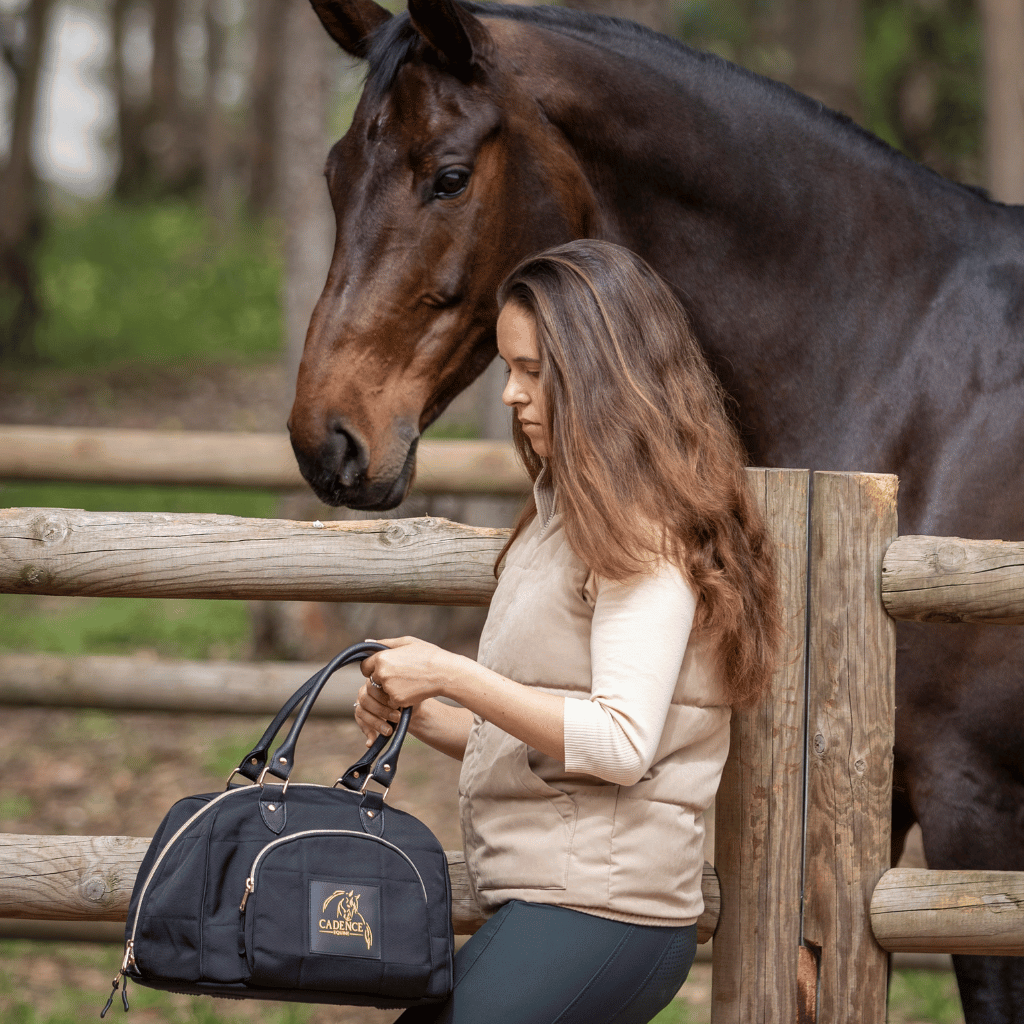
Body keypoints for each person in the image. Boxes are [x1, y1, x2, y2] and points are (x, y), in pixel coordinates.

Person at [355, 239, 781, 1024]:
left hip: (604, 913)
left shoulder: (641, 529)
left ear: (601, 372)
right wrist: (421, 714)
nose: (513, 395)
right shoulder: (564, 516)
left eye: (534, 372)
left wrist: (453, 673)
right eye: (508, 369)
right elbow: (550, 733)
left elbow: (620, 743)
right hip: (559, 902)